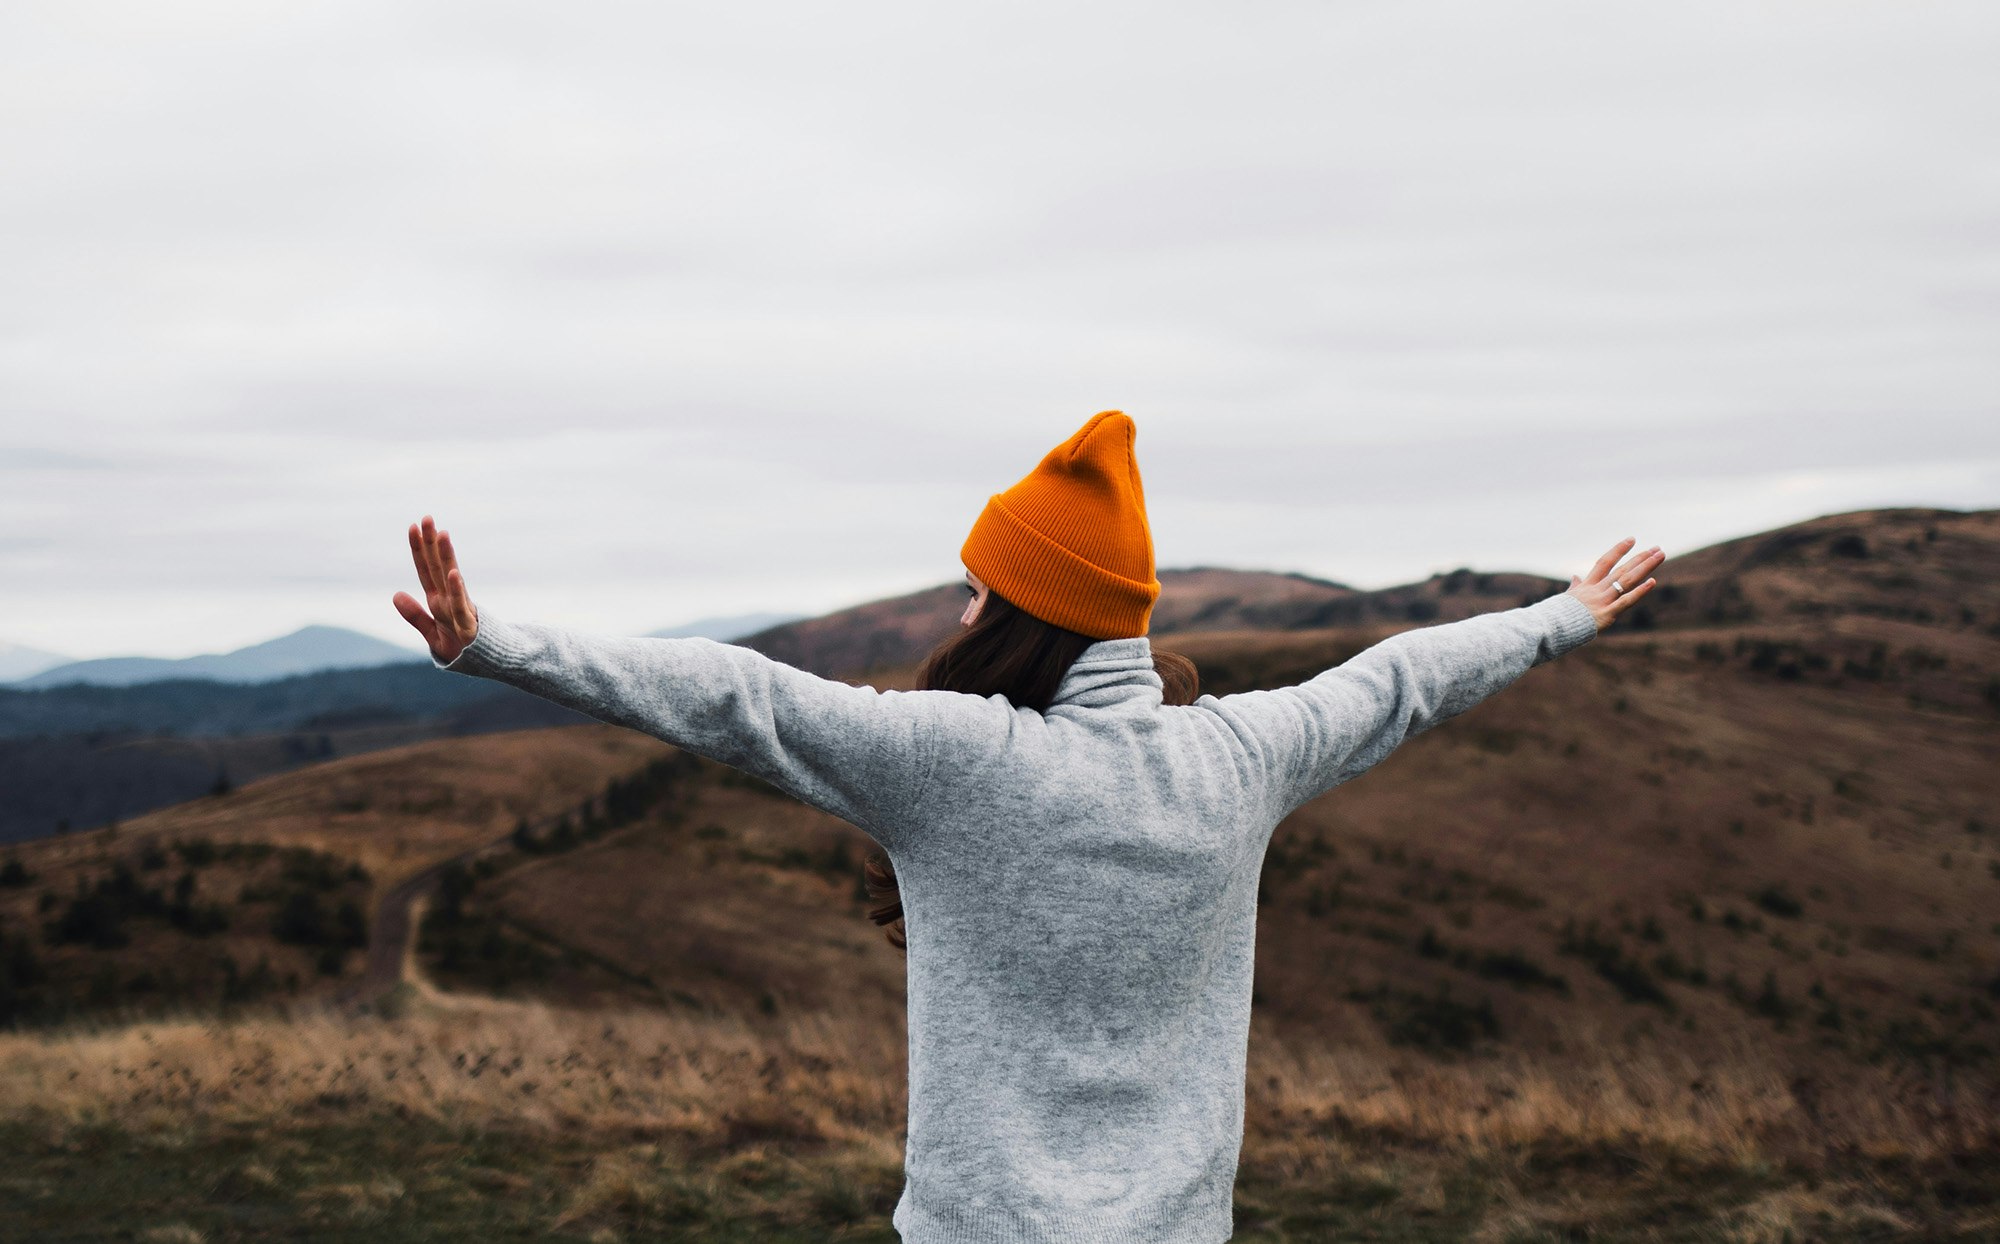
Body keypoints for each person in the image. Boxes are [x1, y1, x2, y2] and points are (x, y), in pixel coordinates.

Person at [393, 409, 1663, 1243]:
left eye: (976, 589)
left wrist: (496, 644)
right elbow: (1395, 681)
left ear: (1023, 613)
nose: (958, 610)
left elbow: (737, 698)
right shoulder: (1238, 754)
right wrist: (1559, 615)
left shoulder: (956, 762)